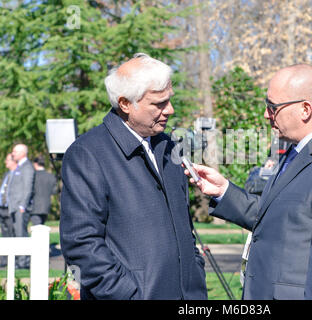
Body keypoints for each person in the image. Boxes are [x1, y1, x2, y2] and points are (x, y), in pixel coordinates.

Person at [187, 63, 312, 300]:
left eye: (273, 107)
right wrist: (224, 191)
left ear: (305, 109)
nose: (266, 114)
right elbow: (277, 218)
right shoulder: (296, 152)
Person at [60, 53, 207, 300]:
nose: (169, 110)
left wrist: (195, 274)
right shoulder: (87, 153)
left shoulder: (169, 147)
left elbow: (184, 228)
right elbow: (81, 243)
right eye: (158, 103)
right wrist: (128, 294)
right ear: (125, 104)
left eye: (169, 100)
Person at [9, 144, 35, 269]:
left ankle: (23, 262)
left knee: (21, 234)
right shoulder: (19, 166)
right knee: (16, 235)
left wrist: (22, 206)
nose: (13, 153)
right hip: (15, 207)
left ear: (23, 153)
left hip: (21, 208)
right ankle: (19, 260)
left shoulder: (27, 167)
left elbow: (27, 188)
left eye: (15, 151)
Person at [29, 156, 58, 226]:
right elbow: (54, 191)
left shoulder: (33, 175)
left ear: (35, 164)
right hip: (46, 205)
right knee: (41, 226)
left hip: (35, 206)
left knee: (37, 228)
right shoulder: (51, 176)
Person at [0, 154, 17, 238]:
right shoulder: (6, 174)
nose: (5, 162)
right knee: (4, 230)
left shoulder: (18, 174)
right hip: (2, 207)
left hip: (11, 207)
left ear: (13, 161)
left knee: (11, 230)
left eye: (7, 160)